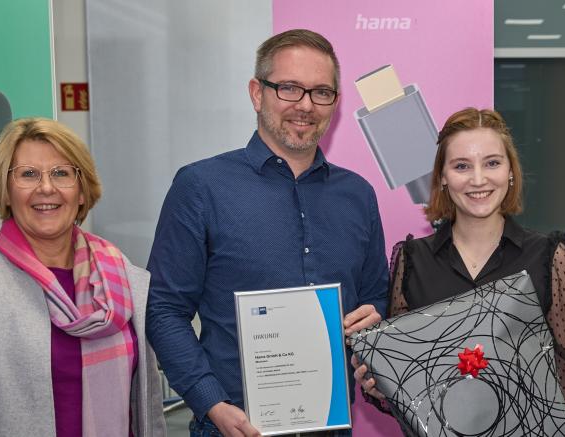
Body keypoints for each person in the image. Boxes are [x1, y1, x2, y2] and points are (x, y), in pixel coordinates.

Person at [145, 29, 388, 437]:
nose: (305, 105)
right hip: (231, 427)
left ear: (335, 102)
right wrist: (211, 403)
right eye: (289, 88)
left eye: (321, 92)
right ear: (257, 94)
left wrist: (374, 316)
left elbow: (375, 296)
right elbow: (163, 309)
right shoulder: (201, 188)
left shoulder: (358, 195)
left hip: (332, 427)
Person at [0, 117, 166, 436]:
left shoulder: (125, 281)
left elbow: (148, 407)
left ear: (82, 192)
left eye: (61, 173)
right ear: (6, 193)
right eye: (28, 174)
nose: (46, 187)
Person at [352, 108, 565, 436]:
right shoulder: (412, 259)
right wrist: (381, 384)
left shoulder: (549, 256)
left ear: (510, 171)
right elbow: (409, 391)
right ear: (442, 177)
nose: (478, 179)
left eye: (492, 163)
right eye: (461, 166)